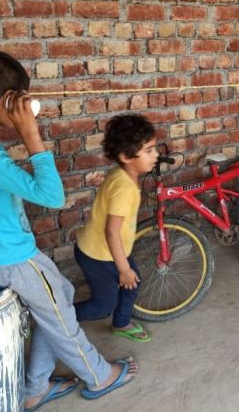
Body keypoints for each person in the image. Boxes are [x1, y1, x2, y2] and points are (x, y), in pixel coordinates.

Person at [0, 50, 138, 411]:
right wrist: (31, 135)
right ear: (12, 101)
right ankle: (99, 376)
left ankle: (37, 387)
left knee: (62, 293)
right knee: (61, 318)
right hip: (14, 259)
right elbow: (52, 195)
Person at [74, 114, 159, 341]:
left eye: (154, 149)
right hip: (98, 255)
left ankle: (121, 324)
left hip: (113, 250)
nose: (156, 155)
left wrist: (125, 268)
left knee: (132, 283)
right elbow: (111, 232)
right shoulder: (124, 188)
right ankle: (57, 321)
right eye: (149, 150)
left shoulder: (122, 174)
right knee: (102, 306)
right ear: (126, 156)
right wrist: (123, 269)